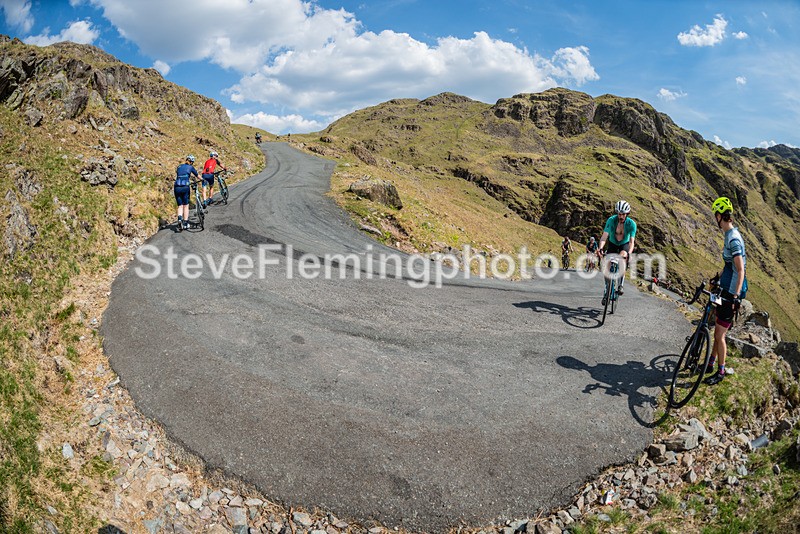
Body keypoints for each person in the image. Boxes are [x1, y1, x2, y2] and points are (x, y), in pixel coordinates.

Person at [705, 197, 747, 385]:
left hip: (731, 292)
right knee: (716, 330)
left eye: (716, 215)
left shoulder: (734, 239)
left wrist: (736, 296)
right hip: (725, 287)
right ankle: (710, 364)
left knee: (720, 335)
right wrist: (717, 277)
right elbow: (728, 265)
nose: (715, 218)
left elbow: (740, 270)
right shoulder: (729, 235)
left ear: (720, 215)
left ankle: (720, 372)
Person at [597, 200, 637, 295]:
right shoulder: (611, 220)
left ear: (627, 214)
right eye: (619, 214)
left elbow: (631, 241)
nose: (621, 216)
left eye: (623, 214)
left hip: (624, 244)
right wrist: (601, 248)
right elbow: (604, 237)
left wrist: (629, 253)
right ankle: (607, 287)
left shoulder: (631, 224)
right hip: (612, 243)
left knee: (623, 257)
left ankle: (621, 285)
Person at [175, 155, 199, 231]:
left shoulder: (179, 167)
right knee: (186, 205)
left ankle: (179, 219)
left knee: (180, 206)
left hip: (177, 186)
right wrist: (203, 180)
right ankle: (185, 223)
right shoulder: (191, 167)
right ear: (192, 162)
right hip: (185, 187)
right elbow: (197, 175)